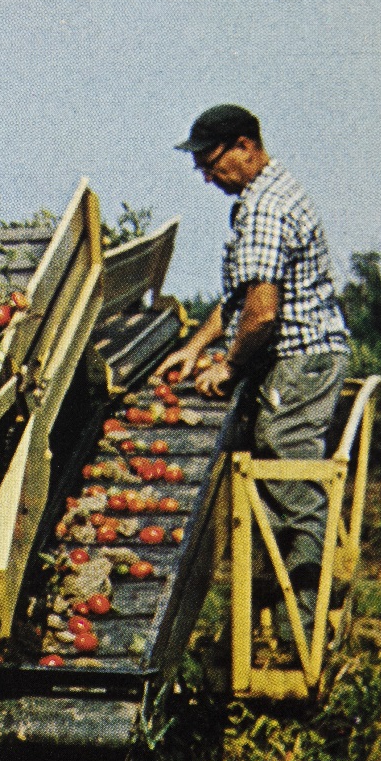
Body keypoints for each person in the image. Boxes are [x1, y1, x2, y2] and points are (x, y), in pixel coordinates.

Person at [156, 104, 350, 645]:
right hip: (291, 355)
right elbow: (238, 301)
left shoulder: (266, 208)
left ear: (244, 146)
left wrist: (230, 365)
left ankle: (305, 622)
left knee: (285, 459)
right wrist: (196, 347)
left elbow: (262, 315)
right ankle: (280, 602)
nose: (204, 174)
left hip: (302, 356)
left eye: (209, 160)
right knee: (269, 465)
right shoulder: (258, 201)